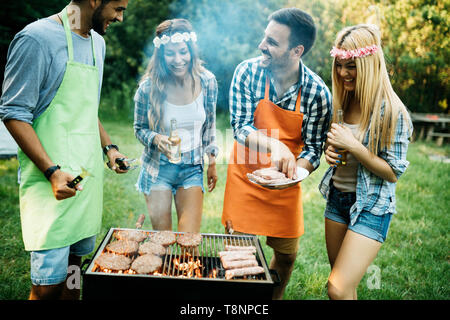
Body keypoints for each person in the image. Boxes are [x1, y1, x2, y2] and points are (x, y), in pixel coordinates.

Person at [0, 0, 130, 300]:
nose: (120, 18)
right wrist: (52, 172)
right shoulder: (37, 39)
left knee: (74, 275)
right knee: (47, 288)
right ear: (95, 1)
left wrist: (109, 148)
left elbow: (86, 107)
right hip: (51, 188)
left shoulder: (98, 43)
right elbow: (14, 113)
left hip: (85, 185)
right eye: (118, 9)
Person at [222, 8, 332, 299]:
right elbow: (241, 127)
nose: (262, 45)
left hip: (286, 181)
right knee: (242, 259)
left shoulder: (317, 93)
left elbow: (313, 148)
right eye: (264, 37)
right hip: (245, 178)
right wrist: (276, 145)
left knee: (287, 258)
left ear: (297, 50)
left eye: (272, 41)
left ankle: (274, 299)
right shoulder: (247, 72)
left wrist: (295, 173)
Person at [319, 24, 413, 300]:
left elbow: (393, 172)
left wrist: (354, 147)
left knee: (337, 287)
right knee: (344, 286)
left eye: (351, 66)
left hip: (372, 206)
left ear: (369, 64)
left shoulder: (392, 110)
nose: (343, 73)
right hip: (338, 199)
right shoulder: (343, 100)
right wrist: (330, 153)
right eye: (339, 65)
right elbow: (337, 146)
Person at [134, 19, 218, 233]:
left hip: (191, 168)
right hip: (157, 169)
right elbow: (139, 128)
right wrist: (155, 138)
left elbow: (209, 127)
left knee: (189, 242)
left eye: (183, 52)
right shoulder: (148, 87)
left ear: (191, 51)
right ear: (161, 55)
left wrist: (212, 162)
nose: (178, 59)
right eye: (170, 53)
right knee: (162, 242)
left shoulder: (207, 81)